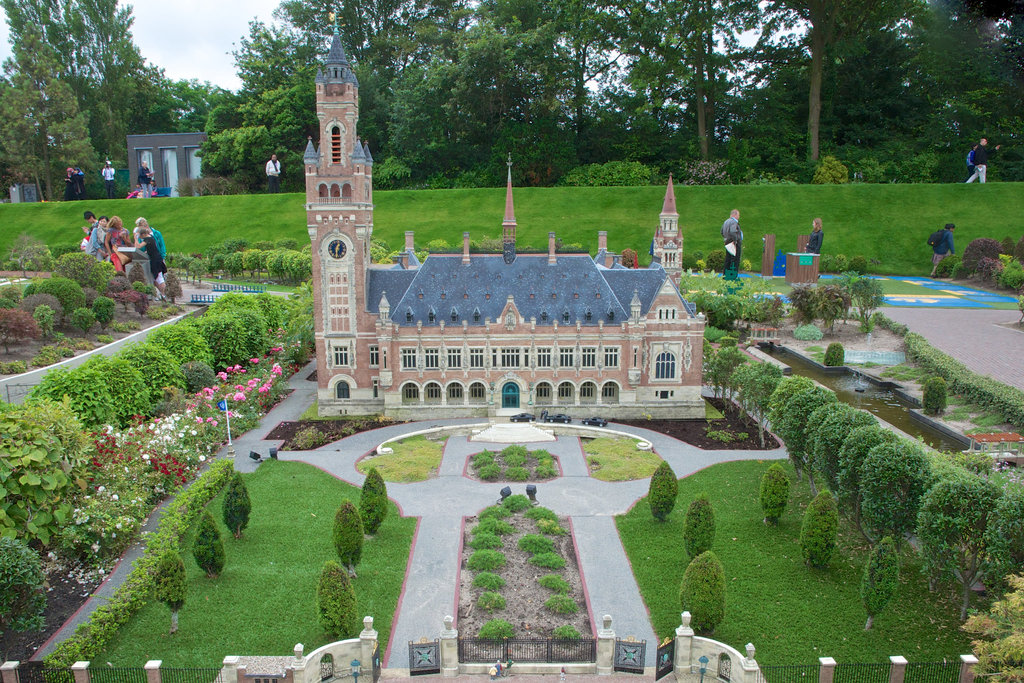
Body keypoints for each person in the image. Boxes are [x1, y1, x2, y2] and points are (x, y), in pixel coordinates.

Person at [140, 229, 168, 300]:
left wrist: (135, 237)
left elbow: (138, 246)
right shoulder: (151, 237)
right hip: (156, 259)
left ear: (143, 234)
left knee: (159, 278)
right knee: (155, 278)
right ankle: (161, 294)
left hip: (155, 261)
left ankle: (164, 294)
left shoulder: (147, 239)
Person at [721, 209, 742, 275]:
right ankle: (733, 276)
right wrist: (735, 240)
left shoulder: (726, 221)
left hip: (727, 243)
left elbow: (721, 232)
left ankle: (725, 275)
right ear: (734, 215)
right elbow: (733, 232)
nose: (739, 216)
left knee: (728, 260)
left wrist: (726, 239)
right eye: (738, 215)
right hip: (734, 244)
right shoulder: (734, 222)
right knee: (735, 260)